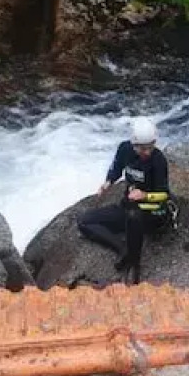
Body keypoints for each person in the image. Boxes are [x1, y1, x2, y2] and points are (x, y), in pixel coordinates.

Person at [77, 117, 170, 283]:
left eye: (150, 147)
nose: (147, 152)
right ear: (134, 145)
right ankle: (122, 247)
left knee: (134, 217)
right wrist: (108, 182)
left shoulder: (158, 161)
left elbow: (164, 194)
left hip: (153, 211)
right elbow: (117, 168)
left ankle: (135, 262)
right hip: (129, 205)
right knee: (84, 221)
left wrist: (145, 195)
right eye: (142, 149)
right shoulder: (124, 149)